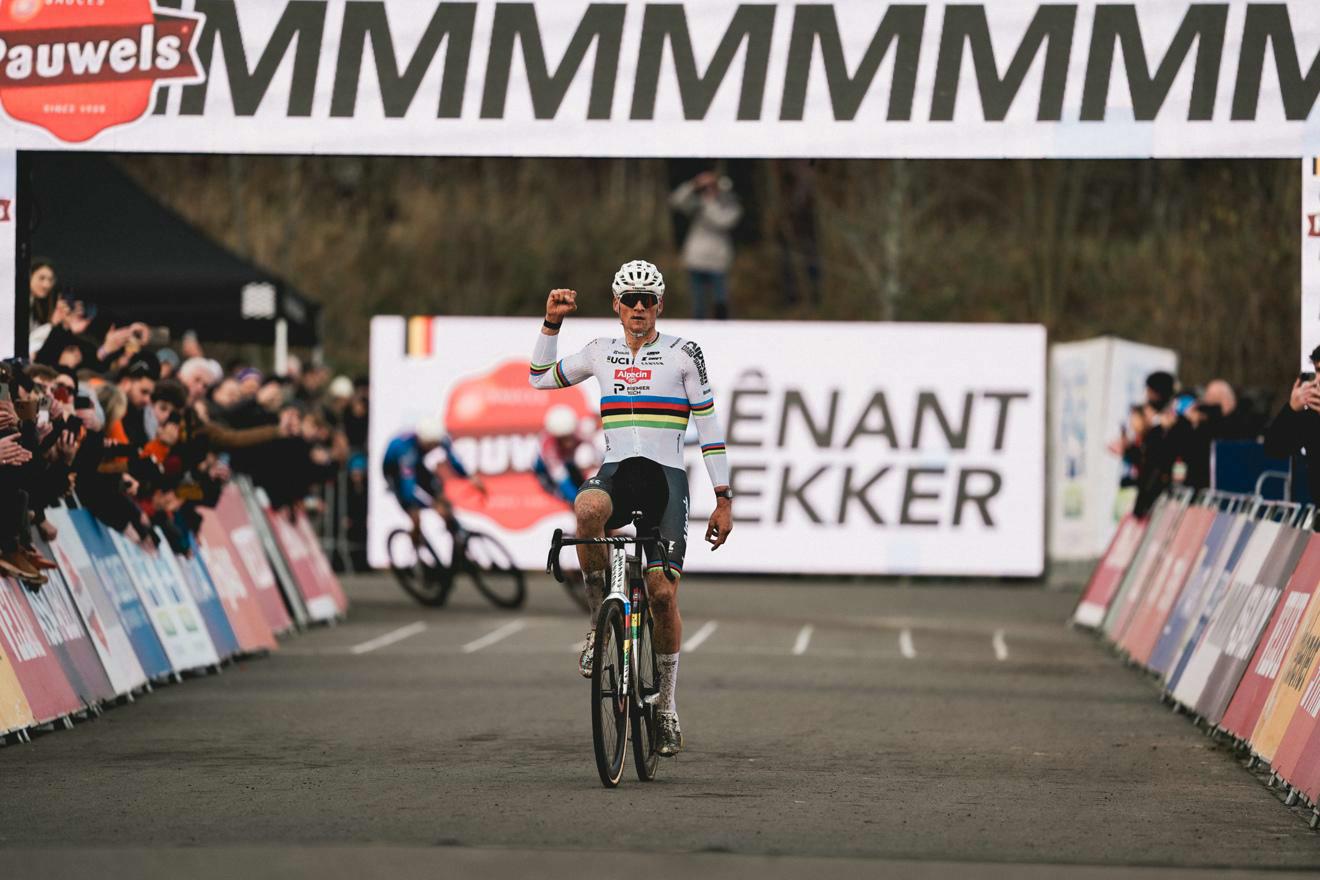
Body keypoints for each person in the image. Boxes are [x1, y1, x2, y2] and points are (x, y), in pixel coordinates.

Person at [529, 259, 734, 757]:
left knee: (662, 594)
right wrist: (551, 323)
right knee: (586, 510)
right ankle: (598, 622)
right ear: (616, 305)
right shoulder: (601, 352)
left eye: (648, 299)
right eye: (630, 299)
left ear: (659, 304)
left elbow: (708, 427)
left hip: (665, 481)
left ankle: (665, 705)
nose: (639, 308)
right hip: (619, 471)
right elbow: (539, 378)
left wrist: (723, 497)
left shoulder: (684, 354)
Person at [382, 415, 486, 542]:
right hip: (396, 474)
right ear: (424, 442)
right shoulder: (406, 452)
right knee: (415, 511)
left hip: (417, 465)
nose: (436, 448)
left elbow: (452, 460)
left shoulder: (437, 439)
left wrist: (469, 477)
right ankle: (415, 536)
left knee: (442, 499)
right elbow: (408, 486)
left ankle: (457, 536)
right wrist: (431, 504)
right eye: (433, 445)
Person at [669, 171, 742, 320]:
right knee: (698, 304)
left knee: (720, 303)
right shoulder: (698, 203)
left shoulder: (731, 207)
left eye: (713, 186)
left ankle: (722, 336)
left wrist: (710, 202)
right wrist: (694, 183)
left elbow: (722, 222)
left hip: (718, 261)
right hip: (696, 260)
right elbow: (675, 201)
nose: (710, 190)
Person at [1265, 349, 1320, 523]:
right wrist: (1291, 410)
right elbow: (1275, 448)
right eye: (1317, 372)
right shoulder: (1311, 416)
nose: (1317, 381)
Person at [533, 405, 594, 505]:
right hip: (544, 468)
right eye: (562, 438)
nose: (567, 442)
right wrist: (579, 502)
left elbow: (598, 449)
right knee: (565, 494)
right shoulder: (549, 449)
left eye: (569, 436)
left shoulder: (582, 430)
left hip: (569, 460)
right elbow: (562, 479)